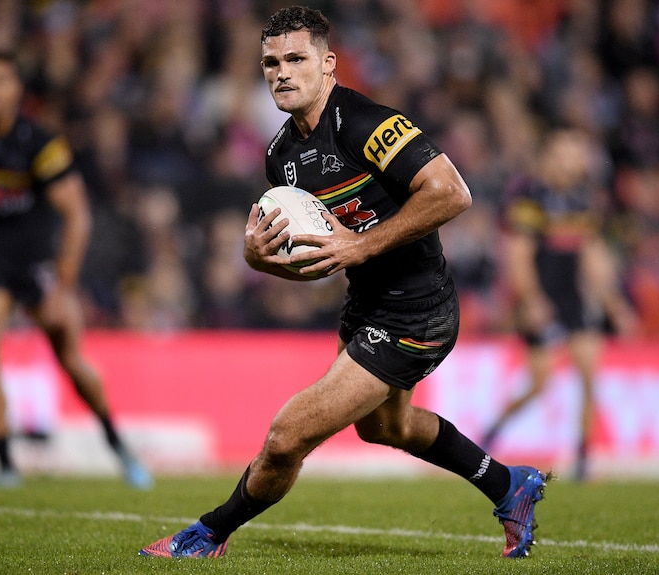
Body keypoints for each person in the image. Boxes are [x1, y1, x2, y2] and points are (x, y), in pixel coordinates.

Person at [140, 6, 550, 559]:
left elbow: (452, 192)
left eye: (295, 59)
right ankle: (508, 485)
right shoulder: (280, 156)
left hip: (416, 311)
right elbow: (310, 259)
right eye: (270, 63)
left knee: (287, 436)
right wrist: (257, 259)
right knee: (388, 428)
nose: (281, 72)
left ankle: (209, 534)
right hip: (367, 304)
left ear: (328, 64)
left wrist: (359, 245)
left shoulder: (366, 123)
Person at [0, 50, 153, 490]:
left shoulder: (39, 143)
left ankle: (116, 443)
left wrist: (63, 283)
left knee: (70, 360)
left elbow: (77, 215)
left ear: (16, 91)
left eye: (1, 81)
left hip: (37, 264)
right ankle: (6, 464)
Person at [481, 128, 637, 481]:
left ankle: (583, 459)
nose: (578, 159)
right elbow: (517, 255)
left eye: (579, 153)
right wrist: (532, 301)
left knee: (588, 375)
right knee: (539, 383)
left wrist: (614, 303)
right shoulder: (528, 195)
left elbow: (592, 255)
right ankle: (490, 434)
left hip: (573, 298)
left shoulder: (584, 199)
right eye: (570, 152)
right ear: (551, 155)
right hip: (542, 297)